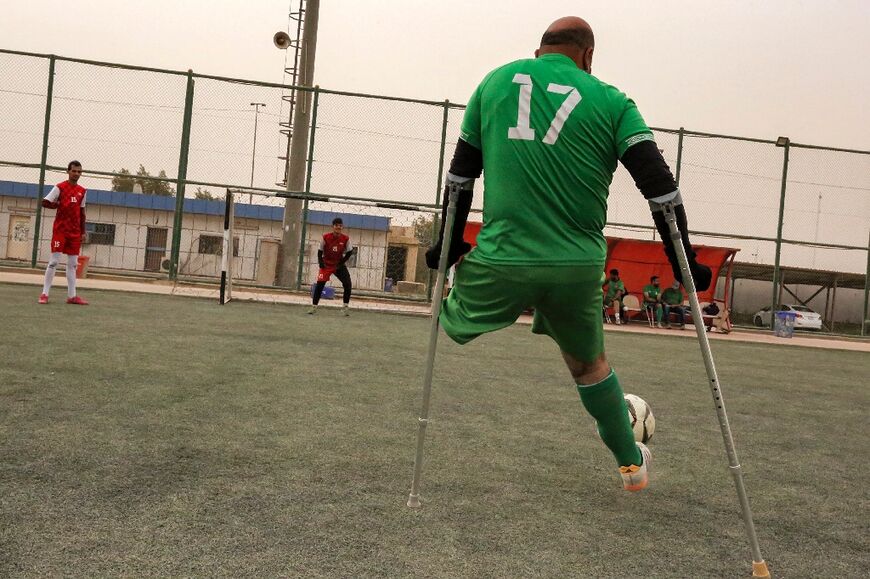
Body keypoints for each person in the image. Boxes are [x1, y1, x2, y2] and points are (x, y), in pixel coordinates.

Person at [425, 16, 711, 492]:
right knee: (588, 366)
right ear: (588, 56)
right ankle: (631, 464)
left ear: (540, 51)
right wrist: (684, 261)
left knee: (445, 312)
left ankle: (457, 300)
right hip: (576, 265)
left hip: (501, 260)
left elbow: (459, 181)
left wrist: (449, 245)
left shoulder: (494, 82)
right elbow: (661, 190)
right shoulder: (614, 101)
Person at [38, 160, 88, 305]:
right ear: (68, 171)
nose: (77, 174)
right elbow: (45, 202)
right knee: (54, 261)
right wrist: (58, 204)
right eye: (74, 171)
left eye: (79, 171)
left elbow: (82, 212)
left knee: (72, 264)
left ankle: (72, 296)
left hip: (75, 232)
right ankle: (44, 294)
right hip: (60, 231)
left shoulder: (82, 191)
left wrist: (82, 232)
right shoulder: (60, 188)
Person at [309, 217, 355, 316]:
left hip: (338, 265)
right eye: (336, 225)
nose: (338, 227)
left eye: (340, 225)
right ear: (333, 227)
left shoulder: (345, 239)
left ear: (342, 227)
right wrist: (321, 262)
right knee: (319, 285)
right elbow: (320, 251)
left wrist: (342, 262)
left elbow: (350, 251)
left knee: (348, 284)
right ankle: (314, 307)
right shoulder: (325, 237)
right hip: (326, 264)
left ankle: (345, 307)